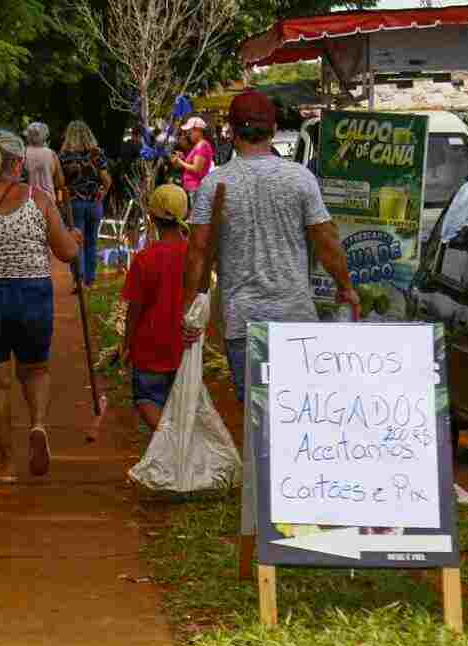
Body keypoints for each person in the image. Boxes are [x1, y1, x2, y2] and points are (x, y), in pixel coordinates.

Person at [182, 91, 357, 403]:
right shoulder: (300, 179)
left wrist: (190, 311)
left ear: (232, 132)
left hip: (243, 324)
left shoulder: (214, 184)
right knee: (299, 415)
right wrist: (345, 287)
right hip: (296, 322)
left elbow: (197, 252)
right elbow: (326, 240)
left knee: (256, 421)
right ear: (274, 129)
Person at [0, 131, 81, 482]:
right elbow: (66, 252)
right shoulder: (39, 199)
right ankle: (39, 424)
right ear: (17, 163)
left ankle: (6, 463)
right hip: (32, 295)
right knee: (36, 370)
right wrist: (75, 241)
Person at [121, 184, 190, 430]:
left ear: (151, 217)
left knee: (147, 399)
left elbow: (135, 309)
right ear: (187, 214)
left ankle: (165, 442)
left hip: (149, 345)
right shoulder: (194, 256)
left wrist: (127, 344)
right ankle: (174, 444)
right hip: (185, 345)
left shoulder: (144, 259)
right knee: (180, 402)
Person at [59, 120, 111, 291]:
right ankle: (91, 280)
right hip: (94, 202)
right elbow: (106, 179)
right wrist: (103, 191)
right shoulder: (97, 153)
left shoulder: (65, 156)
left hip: (74, 203)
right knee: (92, 242)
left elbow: (60, 182)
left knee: (76, 242)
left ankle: (78, 281)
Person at [170, 117, 214, 201]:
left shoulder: (202, 146)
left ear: (198, 131)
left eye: (190, 131)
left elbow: (196, 168)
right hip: (192, 187)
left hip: (195, 188)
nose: (188, 134)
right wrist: (183, 158)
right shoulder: (199, 145)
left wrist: (180, 162)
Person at [23, 122, 66, 204]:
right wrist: (60, 201)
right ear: (45, 137)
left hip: (28, 202)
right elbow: (60, 184)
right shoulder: (52, 154)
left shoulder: (22, 154)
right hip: (49, 201)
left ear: (28, 137)